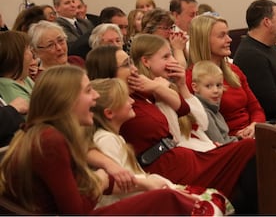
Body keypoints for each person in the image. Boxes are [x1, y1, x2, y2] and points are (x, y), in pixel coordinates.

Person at [0, 65, 207, 215]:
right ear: (67, 99)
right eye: (88, 90)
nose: (96, 96)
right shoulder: (49, 140)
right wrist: (102, 178)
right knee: (166, 200)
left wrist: (139, 183)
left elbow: (79, 185)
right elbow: (76, 211)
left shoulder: (46, 134)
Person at [121, 34, 258, 213]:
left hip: (193, 153)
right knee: (247, 152)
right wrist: (160, 89)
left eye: (171, 54)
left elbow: (201, 121)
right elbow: (173, 134)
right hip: (180, 158)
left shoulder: (163, 85)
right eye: (165, 57)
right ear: (146, 62)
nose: (172, 61)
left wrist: (180, 85)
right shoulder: (144, 93)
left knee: (251, 151)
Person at [89, 77, 233, 213]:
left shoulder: (114, 137)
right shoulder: (106, 140)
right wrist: (168, 189)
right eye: (126, 98)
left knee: (215, 197)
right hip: (140, 204)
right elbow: (122, 185)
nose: (132, 101)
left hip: (156, 189)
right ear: (109, 113)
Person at [187, 14, 265, 139]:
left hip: (254, 132)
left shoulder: (233, 70)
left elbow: (256, 108)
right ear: (204, 40)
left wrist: (254, 126)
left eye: (227, 34)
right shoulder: (193, 79)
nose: (229, 39)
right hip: (230, 141)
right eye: (222, 36)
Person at [189, 60, 239, 145]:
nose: (216, 91)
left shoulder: (213, 107)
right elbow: (220, 144)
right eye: (208, 86)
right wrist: (238, 141)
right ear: (195, 87)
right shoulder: (204, 112)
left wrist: (238, 137)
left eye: (219, 85)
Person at [0, 30, 35, 104]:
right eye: (28, 49)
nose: (32, 53)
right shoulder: (7, 87)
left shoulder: (24, 78)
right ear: (16, 57)